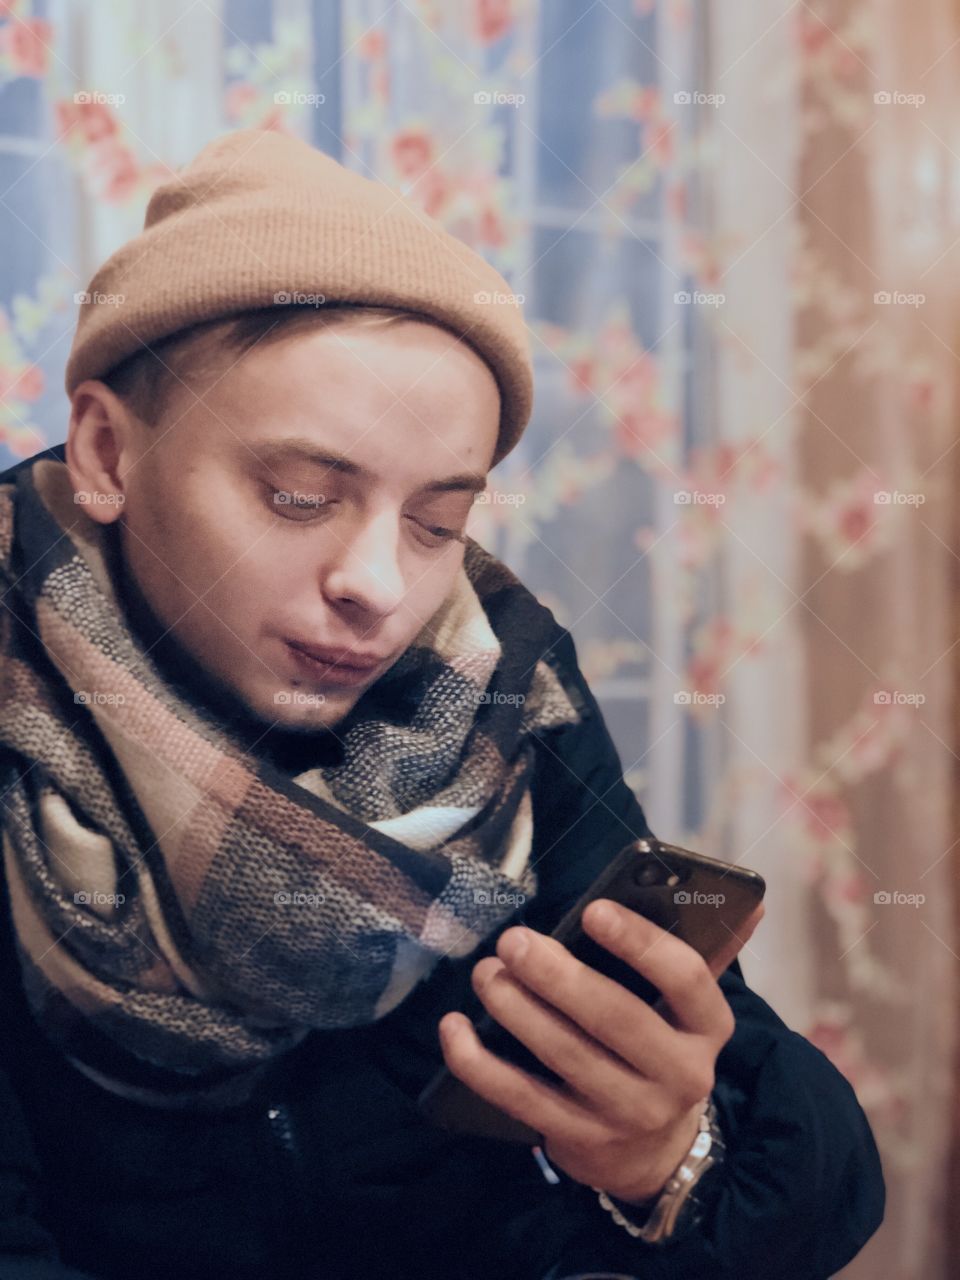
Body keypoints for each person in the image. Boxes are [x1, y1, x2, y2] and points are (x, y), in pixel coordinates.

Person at [0, 129, 883, 1280]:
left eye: (437, 523)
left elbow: (814, 1183)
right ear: (109, 452)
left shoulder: (496, 681)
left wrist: (668, 1159)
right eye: (299, 495)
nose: (377, 585)